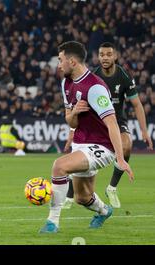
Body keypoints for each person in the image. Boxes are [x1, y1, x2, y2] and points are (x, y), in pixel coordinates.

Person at [40, 41, 134, 233]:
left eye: (61, 60)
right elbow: (71, 122)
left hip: (101, 147)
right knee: (82, 198)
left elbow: (112, 123)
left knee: (59, 166)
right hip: (80, 144)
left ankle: (52, 222)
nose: (58, 65)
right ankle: (103, 211)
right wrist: (74, 113)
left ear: (72, 61)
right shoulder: (66, 82)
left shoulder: (95, 87)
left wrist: (121, 158)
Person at [62, 42, 153, 209]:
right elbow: (76, 104)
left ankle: (111, 187)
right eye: (101, 55)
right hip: (95, 123)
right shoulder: (92, 77)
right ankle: (70, 195)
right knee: (77, 160)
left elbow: (137, 104)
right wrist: (72, 131)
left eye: (108, 54)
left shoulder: (124, 76)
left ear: (115, 56)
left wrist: (144, 131)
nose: (104, 58)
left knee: (127, 146)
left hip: (117, 120)